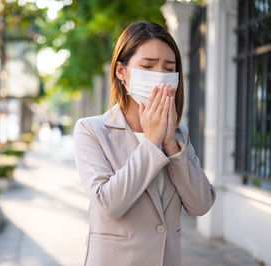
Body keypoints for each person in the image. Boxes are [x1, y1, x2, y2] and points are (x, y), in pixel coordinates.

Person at [73, 21, 216, 266]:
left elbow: (200, 205)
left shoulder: (179, 136)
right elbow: (109, 204)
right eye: (148, 66)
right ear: (121, 71)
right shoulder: (91, 130)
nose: (159, 76)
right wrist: (151, 142)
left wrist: (170, 143)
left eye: (168, 68)